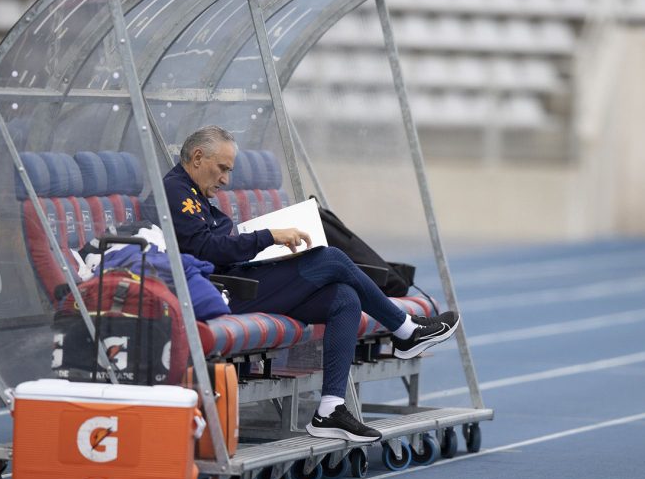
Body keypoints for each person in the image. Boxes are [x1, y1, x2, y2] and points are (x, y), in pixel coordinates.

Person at [164, 125, 458, 443]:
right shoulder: (176, 191)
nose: (225, 180)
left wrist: (266, 244)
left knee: (344, 298)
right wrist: (269, 237)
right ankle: (405, 331)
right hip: (224, 291)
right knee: (330, 259)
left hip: (241, 280)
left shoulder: (195, 193)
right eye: (222, 169)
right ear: (197, 157)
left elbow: (218, 243)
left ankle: (330, 410)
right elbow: (206, 249)